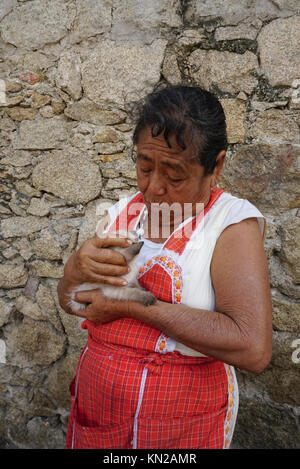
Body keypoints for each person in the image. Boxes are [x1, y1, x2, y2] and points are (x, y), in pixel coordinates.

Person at [57, 85, 273, 449]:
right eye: (144, 167)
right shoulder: (124, 214)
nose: (154, 188)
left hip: (180, 427)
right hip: (100, 413)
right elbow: (75, 303)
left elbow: (252, 347)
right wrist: (74, 272)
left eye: (174, 176)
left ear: (215, 166)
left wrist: (132, 305)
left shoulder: (230, 224)